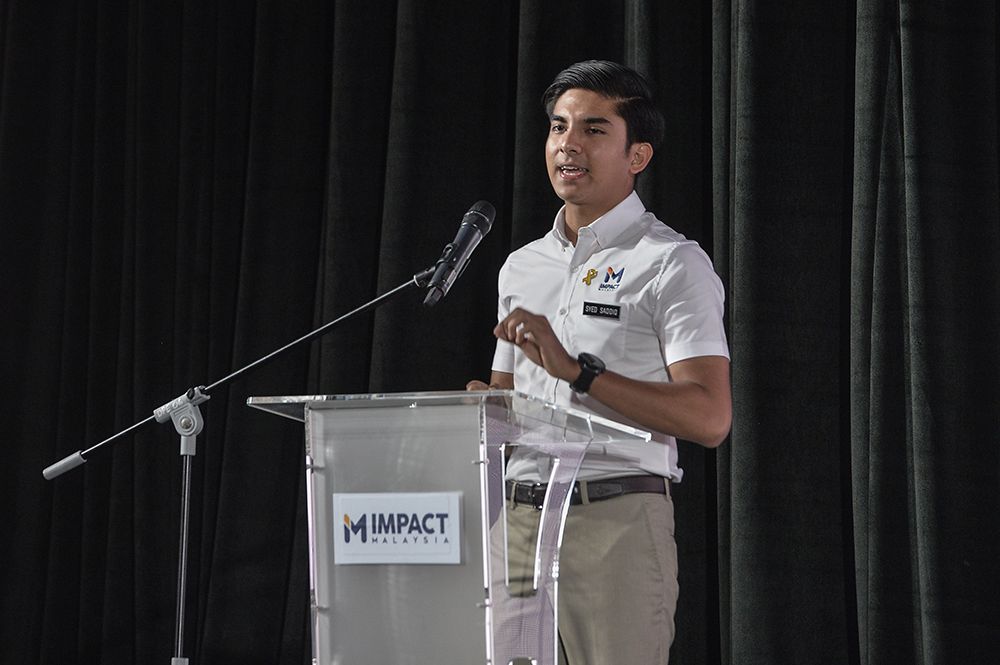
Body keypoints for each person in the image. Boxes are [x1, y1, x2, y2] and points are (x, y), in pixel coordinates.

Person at [467, 60, 732, 664]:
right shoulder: (521, 265)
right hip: (519, 523)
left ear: (638, 155)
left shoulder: (671, 263)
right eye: (558, 127)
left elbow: (710, 417)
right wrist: (483, 406)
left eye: (593, 129)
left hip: (614, 518)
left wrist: (580, 372)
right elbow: (508, 401)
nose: (568, 144)